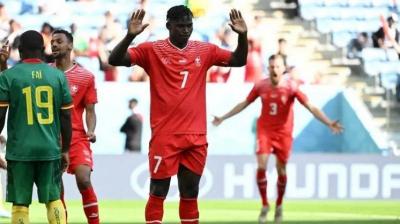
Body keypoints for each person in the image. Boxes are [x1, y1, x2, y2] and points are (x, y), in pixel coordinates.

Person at [108, 5, 248, 223]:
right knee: (158, 191)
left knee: (190, 194)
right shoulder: (151, 50)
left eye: (189, 25)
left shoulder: (205, 50)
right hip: (165, 136)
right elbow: (115, 60)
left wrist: (243, 36)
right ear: (168, 26)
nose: (185, 30)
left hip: (196, 137)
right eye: (180, 26)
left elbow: (239, 60)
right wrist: (129, 36)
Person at [212, 54, 343, 224]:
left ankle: (279, 205)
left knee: (282, 170)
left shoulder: (291, 87)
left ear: (284, 69)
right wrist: (223, 117)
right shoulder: (261, 85)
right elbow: (244, 103)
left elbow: (311, 106)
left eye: (277, 67)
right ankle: (265, 204)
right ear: (268, 68)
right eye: (271, 66)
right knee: (261, 165)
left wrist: (328, 122)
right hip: (265, 131)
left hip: (284, 134)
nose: (274, 69)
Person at [0, 30, 72, 224]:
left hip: (19, 151)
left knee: (20, 204)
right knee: (53, 199)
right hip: (50, 149)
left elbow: (0, 116)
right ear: (43, 49)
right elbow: (66, 116)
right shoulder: (58, 76)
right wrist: (65, 149)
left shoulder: (8, 76)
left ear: (20, 50)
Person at [50, 29, 99, 224]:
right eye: (52, 42)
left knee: (84, 179)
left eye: (59, 41)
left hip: (77, 137)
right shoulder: (45, 73)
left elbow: (90, 110)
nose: (54, 44)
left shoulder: (85, 76)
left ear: (70, 45)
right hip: (50, 137)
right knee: (55, 187)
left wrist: (91, 129)